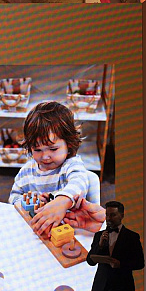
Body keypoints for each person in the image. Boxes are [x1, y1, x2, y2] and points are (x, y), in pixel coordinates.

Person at [8, 101, 92, 237]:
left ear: (69, 144)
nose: (45, 157)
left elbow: (79, 182)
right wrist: (28, 202)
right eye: (37, 150)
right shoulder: (26, 172)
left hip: (70, 231)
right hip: (35, 231)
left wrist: (62, 201)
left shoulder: (71, 165)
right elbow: (13, 198)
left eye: (53, 149)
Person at [87, 200, 145, 291]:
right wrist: (99, 245)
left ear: (121, 216)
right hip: (101, 288)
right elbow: (90, 261)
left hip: (122, 288)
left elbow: (140, 263)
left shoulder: (132, 236)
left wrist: (120, 264)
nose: (109, 218)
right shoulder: (99, 235)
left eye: (113, 215)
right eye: (107, 215)